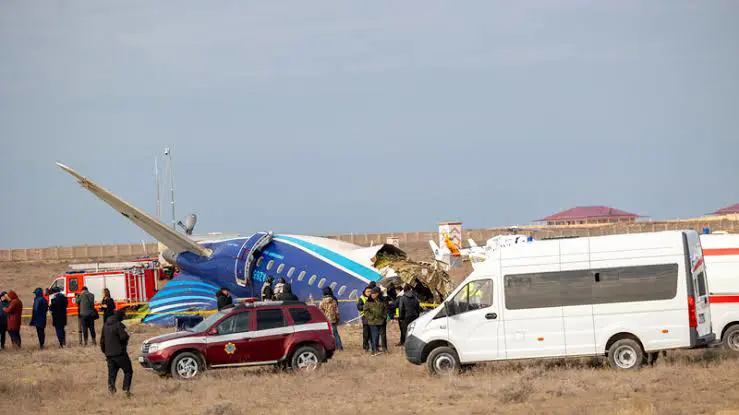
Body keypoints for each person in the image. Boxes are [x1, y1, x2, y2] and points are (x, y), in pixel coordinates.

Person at [101, 309, 133, 396]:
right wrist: (127, 335)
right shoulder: (119, 325)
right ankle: (126, 389)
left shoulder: (105, 325)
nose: (123, 318)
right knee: (128, 371)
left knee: (112, 373)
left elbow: (102, 341)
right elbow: (123, 337)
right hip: (120, 353)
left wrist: (105, 352)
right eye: (123, 316)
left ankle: (111, 389)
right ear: (120, 317)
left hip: (109, 355)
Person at [363, 287, 387, 356]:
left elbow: (385, 308)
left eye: (374, 293)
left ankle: (384, 349)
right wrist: (371, 317)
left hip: (381, 321)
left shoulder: (382, 300)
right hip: (373, 322)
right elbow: (365, 311)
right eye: (372, 293)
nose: (373, 295)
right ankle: (374, 351)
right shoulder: (369, 301)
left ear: (378, 294)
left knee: (383, 335)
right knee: (375, 336)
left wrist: (384, 316)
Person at [319, 286, 343, 351]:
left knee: (326, 334)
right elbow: (337, 312)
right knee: (335, 333)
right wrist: (338, 319)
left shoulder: (321, 302)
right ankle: (339, 347)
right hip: (333, 319)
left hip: (325, 320)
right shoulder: (334, 301)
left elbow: (320, 312)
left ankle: (328, 347)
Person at [357, 286, 372, 352]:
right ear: (365, 292)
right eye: (368, 291)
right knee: (366, 333)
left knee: (372, 332)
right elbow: (359, 307)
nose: (369, 293)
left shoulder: (373, 297)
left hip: (373, 317)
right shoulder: (362, 298)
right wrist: (366, 307)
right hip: (365, 317)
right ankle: (365, 346)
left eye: (370, 291)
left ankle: (373, 345)